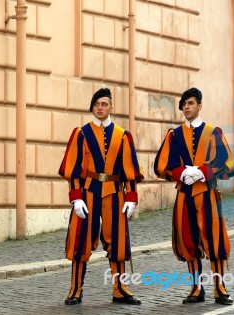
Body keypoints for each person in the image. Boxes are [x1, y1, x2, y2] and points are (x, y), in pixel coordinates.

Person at [58, 87, 143, 306]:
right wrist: (76, 197)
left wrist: (131, 197)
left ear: (111, 107)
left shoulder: (123, 135)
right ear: (92, 107)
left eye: (104, 104)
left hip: (115, 194)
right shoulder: (81, 133)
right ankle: (75, 290)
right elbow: (74, 168)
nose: (100, 107)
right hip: (88, 193)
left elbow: (129, 170)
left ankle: (120, 289)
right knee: (80, 241)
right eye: (97, 104)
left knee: (118, 241)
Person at [154, 87, 234, 305]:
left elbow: (227, 162)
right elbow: (162, 165)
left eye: (190, 103)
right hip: (185, 193)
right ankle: (196, 288)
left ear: (199, 105)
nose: (186, 107)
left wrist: (203, 172)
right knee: (188, 240)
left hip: (207, 192)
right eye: (183, 104)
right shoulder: (174, 135)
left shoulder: (213, 132)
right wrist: (182, 173)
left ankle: (220, 288)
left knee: (214, 239)